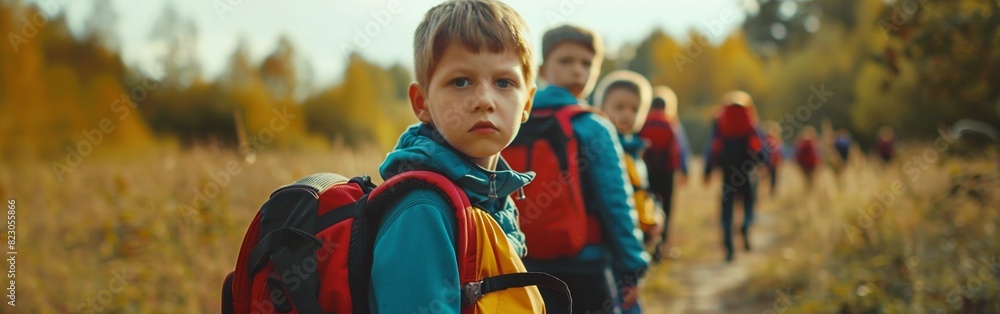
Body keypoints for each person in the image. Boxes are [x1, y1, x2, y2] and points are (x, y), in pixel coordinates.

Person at [371, 1, 544, 312]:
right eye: (461, 82)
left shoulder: (494, 196)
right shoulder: (422, 210)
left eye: (504, 82)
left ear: (527, 102)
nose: (484, 101)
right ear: (422, 102)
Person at [503, 24, 649, 313]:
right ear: (542, 69)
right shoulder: (593, 125)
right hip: (588, 263)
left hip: (525, 264)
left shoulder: (513, 122)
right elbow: (617, 203)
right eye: (566, 61)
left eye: (586, 63)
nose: (577, 71)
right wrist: (632, 267)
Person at [593, 70, 655, 314]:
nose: (627, 114)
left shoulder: (635, 151)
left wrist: (654, 215)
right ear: (601, 107)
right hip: (613, 251)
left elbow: (642, 193)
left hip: (634, 242)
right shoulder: (604, 150)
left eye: (634, 108)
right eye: (619, 106)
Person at [703, 91, 767, 262]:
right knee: (748, 204)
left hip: (727, 173)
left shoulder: (720, 121)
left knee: (727, 211)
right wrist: (764, 163)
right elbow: (761, 144)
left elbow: (712, 145)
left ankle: (729, 247)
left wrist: (707, 170)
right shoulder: (750, 119)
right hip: (747, 171)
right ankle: (746, 225)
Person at [638, 85, 690, 263]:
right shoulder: (671, 123)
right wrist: (684, 170)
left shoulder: (642, 122)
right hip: (667, 174)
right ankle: (661, 249)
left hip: (646, 173)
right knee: (666, 209)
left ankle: (646, 244)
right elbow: (679, 149)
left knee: (646, 208)